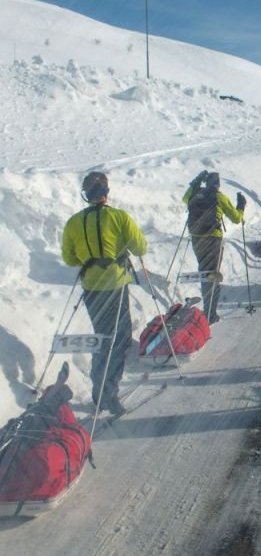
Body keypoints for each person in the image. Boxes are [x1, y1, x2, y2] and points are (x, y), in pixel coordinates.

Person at [61, 172, 147, 414]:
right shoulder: (118, 217)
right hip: (116, 286)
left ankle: (100, 390)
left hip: (91, 289)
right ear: (106, 192)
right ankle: (108, 394)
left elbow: (69, 258)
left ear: (86, 194)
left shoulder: (73, 222)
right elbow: (140, 247)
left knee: (102, 337)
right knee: (118, 341)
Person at [182, 171, 245, 325]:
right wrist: (241, 206)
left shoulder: (195, 194)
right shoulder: (219, 196)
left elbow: (185, 198)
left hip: (197, 239)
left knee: (205, 272)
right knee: (212, 275)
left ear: (205, 182)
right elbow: (236, 219)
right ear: (217, 184)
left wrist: (195, 183)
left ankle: (208, 308)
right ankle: (210, 313)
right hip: (213, 239)